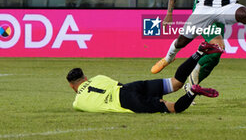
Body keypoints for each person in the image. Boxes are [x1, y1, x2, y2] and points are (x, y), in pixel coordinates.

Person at [67, 42, 223, 114]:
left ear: (72, 86)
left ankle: (192, 92)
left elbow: (80, 103)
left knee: (174, 107)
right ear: (85, 77)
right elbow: (118, 85)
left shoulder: (77, 103)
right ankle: (199, 52)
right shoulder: (98, 77)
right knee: (176, 82)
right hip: (131, 87)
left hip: (127, 101)